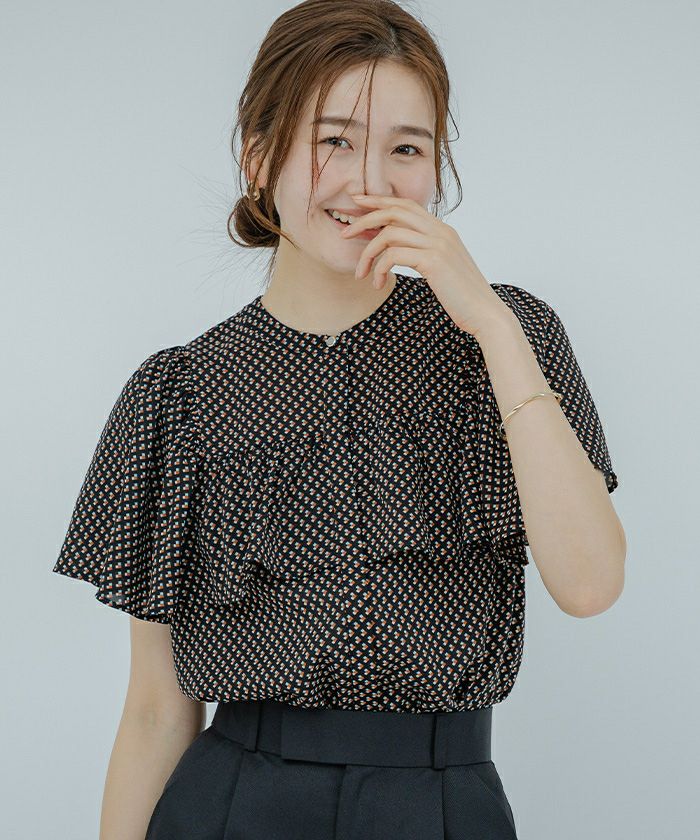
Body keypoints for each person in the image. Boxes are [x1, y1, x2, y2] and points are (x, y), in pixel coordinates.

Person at [52, 1, 625, 838]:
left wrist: (491, 325)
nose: (370, 183)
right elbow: (153, 710)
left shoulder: (508, 338)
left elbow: (590, 584)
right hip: (232, 804)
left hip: (441, 805)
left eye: (406, 149)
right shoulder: (180, 393)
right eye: (334, 141)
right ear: (259, 157)